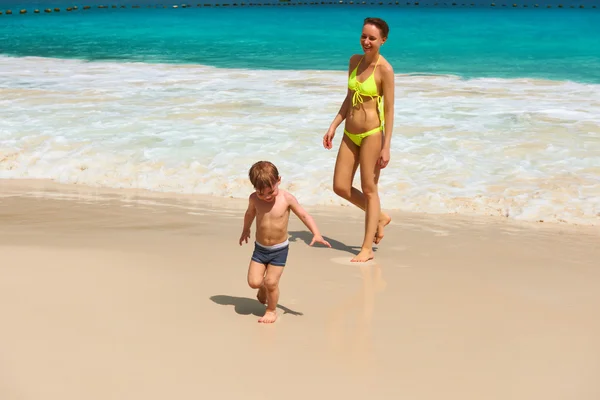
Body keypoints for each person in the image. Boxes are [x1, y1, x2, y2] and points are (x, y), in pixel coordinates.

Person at [323, 17, 395, 263]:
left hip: (372, 134)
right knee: (340, 186)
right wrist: (334, 125)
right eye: (364, 36)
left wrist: (386, 146)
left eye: (372, 38)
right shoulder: (354, 61)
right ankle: (380, 217)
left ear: (383, 41)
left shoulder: (385, 70)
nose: (366, 41)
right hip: (349, 133)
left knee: (369, 189)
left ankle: (366, 248)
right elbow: (348, 97)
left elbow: (389, 111)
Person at [239, 161, 331, 323]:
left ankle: (271, 311)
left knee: (271, 282)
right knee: (254, 282)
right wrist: (246, 229)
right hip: (260, 249)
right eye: (261, 193)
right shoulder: (254, 199)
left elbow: (304, 215)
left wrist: (316, 233)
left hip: (279, 251)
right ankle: (262, 289)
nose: (266, 197)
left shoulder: (287, 199)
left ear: (278, 181)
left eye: (270, 192)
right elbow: (249, 214)